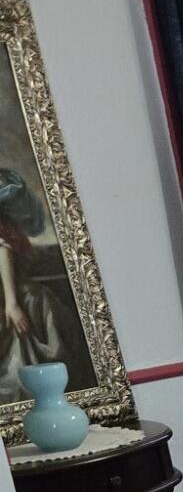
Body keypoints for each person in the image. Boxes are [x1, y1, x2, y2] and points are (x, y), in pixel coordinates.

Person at [0, 166, 88, 403]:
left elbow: (4, 250)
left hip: (11, 291)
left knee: (38, 300)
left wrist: (11, 303)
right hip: (10, 294)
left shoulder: (6, 220)